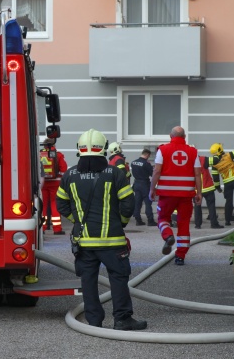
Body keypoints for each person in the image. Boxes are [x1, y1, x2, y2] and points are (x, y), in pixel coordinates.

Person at [56, 129, 146, 331]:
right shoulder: (115, 173)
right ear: (104, 149)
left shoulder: (70, 174)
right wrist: (120, 223)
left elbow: (61, 204)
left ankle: (94, 321)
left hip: (84, 243)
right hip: (112, 241)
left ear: (79, 150)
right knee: (118, 278)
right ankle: (122, 319)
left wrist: (77, 221)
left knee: (88, 280)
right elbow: (128, 204)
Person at [149, 126, 202, 266]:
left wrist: (152, 189)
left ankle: (168, 236)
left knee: (162, 218)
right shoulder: (193, 151)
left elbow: (156, 171)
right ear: (184, 137)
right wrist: (199, 192)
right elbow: (197, 174)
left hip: (167, 195)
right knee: (184, 223)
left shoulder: (163, 150)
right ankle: (180, 256)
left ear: (170, 136)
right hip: (186, 195)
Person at [210, 139, 234, 226]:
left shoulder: (214, 165)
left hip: (227, 183)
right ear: (220, 150)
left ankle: (227, 220)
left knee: (228, 201)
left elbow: (215, 178)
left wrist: (218, 188)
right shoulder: (228, 155)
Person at [40, 138, 68, 235]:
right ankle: (57, 229)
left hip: (43, 183)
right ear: (54, 145)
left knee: (43, 205)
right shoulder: (58, 155)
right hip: (55, 183)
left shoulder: (39, 154)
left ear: (44, 145)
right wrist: (59, 176)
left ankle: (42, 228)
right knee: (54, 204)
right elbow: (64, 170)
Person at [194, 154, 223, 229]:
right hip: (208, 188)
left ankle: (197, 225)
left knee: (197, 206)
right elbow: (215, 160)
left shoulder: (188, 161)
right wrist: (217, 154)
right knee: (211, 206)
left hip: (196, 189)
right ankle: (214, 224)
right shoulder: (203, 159)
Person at [130, 147, 157, 227]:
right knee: (148, 202)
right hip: (144, 184)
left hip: (136, 183)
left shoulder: (133, 162)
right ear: (147, 155)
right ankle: (150, 220)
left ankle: (138, 220)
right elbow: (152, 174)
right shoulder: (146, 163)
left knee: (137, 202)